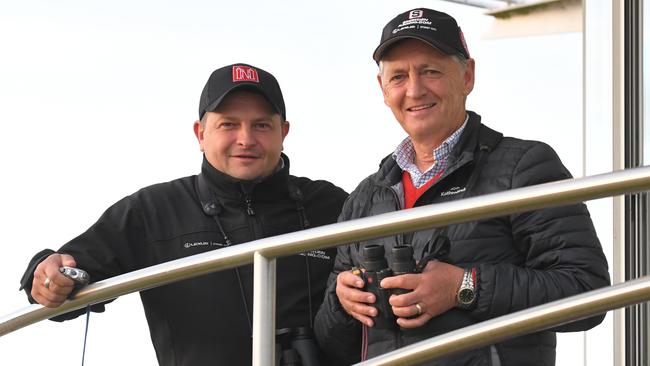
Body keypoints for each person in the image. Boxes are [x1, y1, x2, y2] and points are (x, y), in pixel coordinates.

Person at [314, 8, 610, 365]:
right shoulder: (363, 198)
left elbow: (588, 295)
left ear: (467, 76)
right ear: (382, 89)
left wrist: (464, 287)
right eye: (398, 76)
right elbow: (333, 346)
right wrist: (343, 305)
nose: (414, 89)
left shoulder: (525, 167)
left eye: (431, 71)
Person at [19, 63, 348, 365]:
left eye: (261, 125)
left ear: (284, 132)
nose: (246, 139)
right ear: (201, 134)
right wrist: (44, 273)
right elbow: (63, 277)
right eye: (228, 125)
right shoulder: (154, 210)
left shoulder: (334, 205)